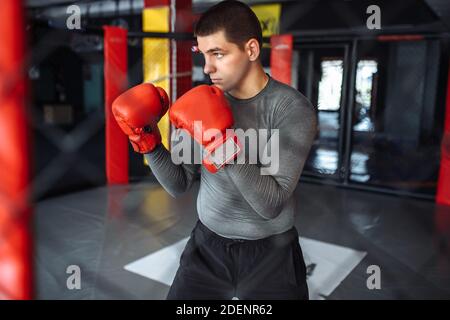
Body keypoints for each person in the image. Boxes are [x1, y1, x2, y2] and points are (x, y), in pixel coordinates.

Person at [112, 0, 318, 300]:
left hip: (272, 254)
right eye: (203, 55)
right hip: (207, 248)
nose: (207, 68)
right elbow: (178, 183)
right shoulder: (200, 103)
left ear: (250, 50)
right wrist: (149, 143)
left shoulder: (291, 110)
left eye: (218, 54)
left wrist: (221, 144)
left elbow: (270, 204)